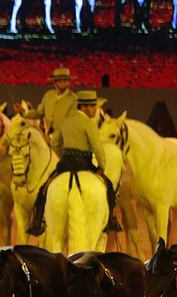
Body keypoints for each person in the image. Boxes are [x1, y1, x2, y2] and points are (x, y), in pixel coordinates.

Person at [26, 88, 119, 236]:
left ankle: (37, 221)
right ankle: (110, 221)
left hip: (66, 163)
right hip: (84, 163)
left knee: (44, 188)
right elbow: (97, 147)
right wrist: (102, 166)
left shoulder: (65, 121)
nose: (95, 109)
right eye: (92, 106)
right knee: (108, 187)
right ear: (83, 107)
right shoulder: (89, 123)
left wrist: (63, 153)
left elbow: (55, 143)